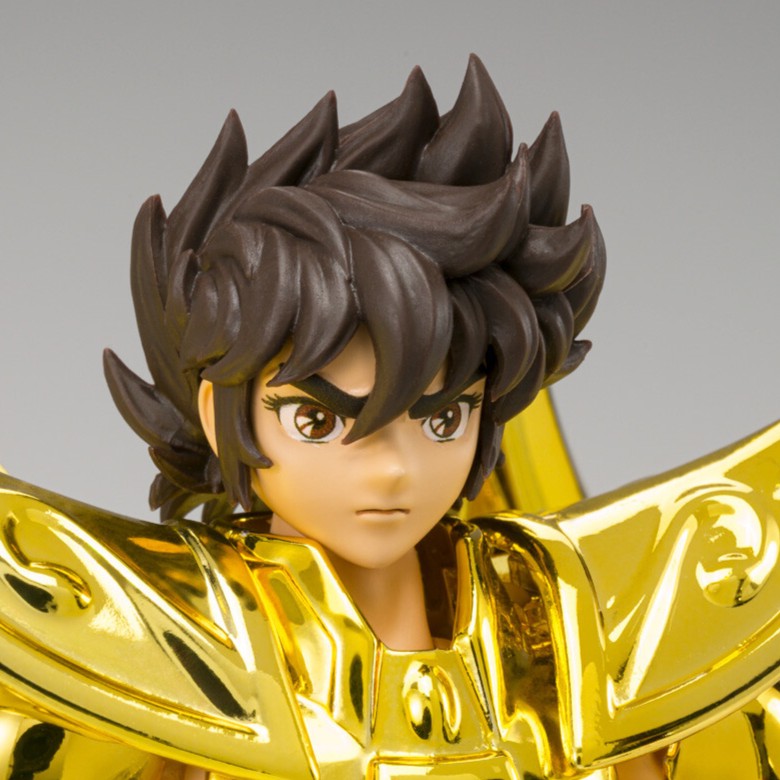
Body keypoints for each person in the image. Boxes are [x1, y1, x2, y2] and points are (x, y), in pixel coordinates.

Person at [0, 57, 777, 780]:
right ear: (216, 410)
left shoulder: (562, 637)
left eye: (443, 420)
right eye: (318, 421)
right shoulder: (183, 658)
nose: (391, 468)